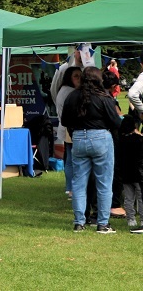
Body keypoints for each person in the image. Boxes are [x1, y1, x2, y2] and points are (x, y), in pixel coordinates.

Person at [61, 66, 123, 233]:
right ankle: (103, 223)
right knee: (104, 183)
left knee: (79, 183)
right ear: (99, 79)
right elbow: (116, 122)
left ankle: (79, 222)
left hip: (79, 138)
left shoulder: (72, 96)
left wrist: (76, 132)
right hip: (101, 138)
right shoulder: (104, 97)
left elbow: (65, 120)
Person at [55, 66, 82, 200]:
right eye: (76, 76)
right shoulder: (71, 92)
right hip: (70, 128)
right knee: (72, 159)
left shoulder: (63, 89)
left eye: (80, 76)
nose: (79, 79)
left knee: (69, 159)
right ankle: (71, 188)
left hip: (66, 128)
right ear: (69, 78)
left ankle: (69, 187)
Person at [117, 115, 143, 233]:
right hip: (138, 174)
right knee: (140, 197)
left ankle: (130, 218)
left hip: (125, 174)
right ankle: (142, 219)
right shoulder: (138, 140)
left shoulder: (119, 141)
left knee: (128, 198)